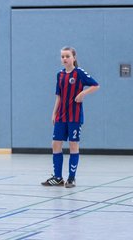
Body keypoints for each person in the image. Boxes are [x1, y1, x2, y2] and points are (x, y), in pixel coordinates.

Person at [41, 46, 99, 188]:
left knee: (73, 145)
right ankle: (58, 177)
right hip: (61, 115)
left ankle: (71, 178)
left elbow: (95, 85)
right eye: (62, 57)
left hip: (74, 116)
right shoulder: (60, 75)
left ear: (74, 57)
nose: (65, 59)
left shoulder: (79, 73)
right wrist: (54, 112)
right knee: (55, 144)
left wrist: (83, 93)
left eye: (67, 56)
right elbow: (58, 96)